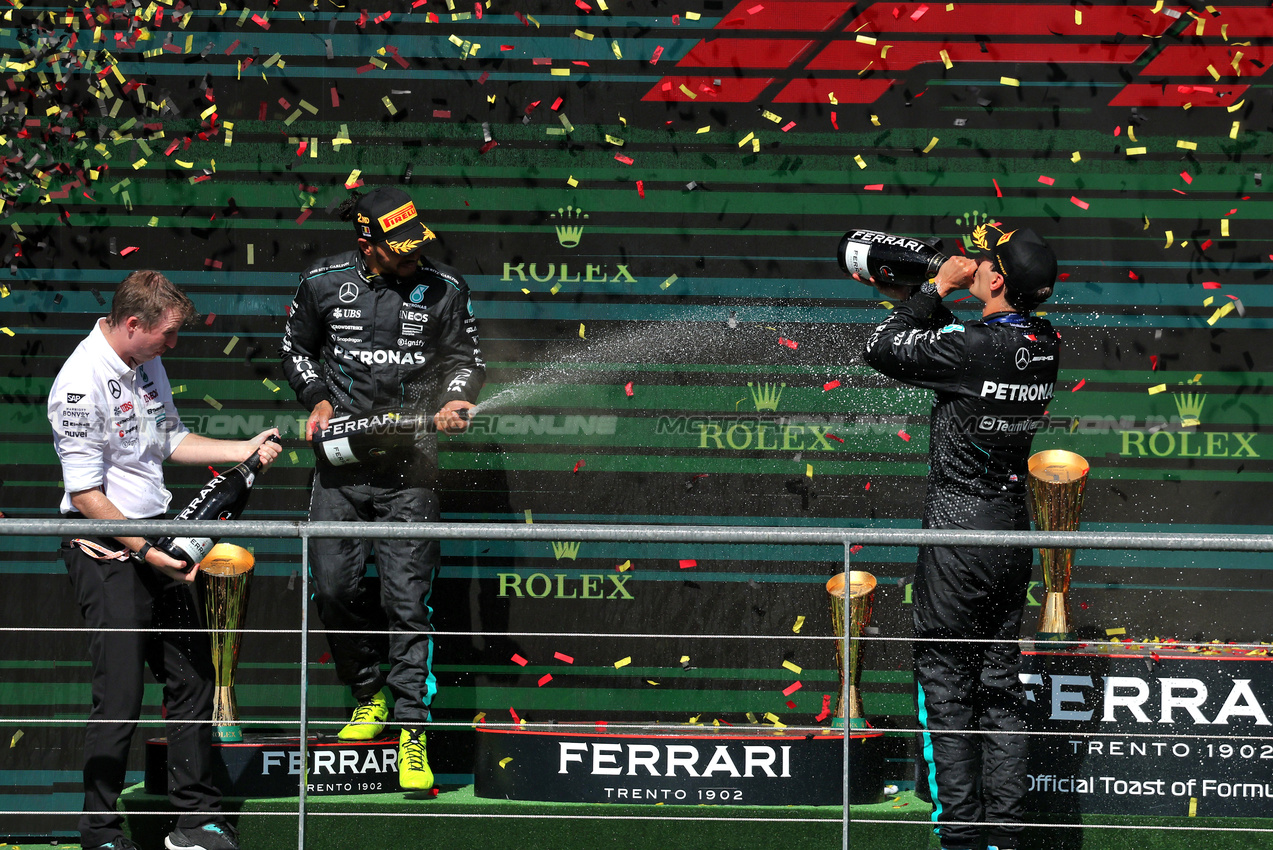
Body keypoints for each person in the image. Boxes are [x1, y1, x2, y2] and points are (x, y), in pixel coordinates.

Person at [47, 270, 281, 850]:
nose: (171, 346)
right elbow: (85, 497)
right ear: (133, 324)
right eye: (167, 335)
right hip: (106, 548)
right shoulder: (77, 384)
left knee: (193, 680)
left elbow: (170, 439)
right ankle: (99, 833)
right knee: (120, 693)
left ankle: (194, 823)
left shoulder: (145, 361)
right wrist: (148, 551)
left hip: (161, 540)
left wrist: (244, 449)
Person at [859, 228, 1061, 850]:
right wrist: (939, 297)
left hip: (957, 536)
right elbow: (955, 349)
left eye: (985, 260)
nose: (975, 262)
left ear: (996, 281)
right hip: (1009, 536)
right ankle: (1006, 837)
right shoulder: (1045, 342)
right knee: (998, 688)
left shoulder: (974, 347)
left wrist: (933, 285)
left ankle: (962, 843)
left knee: (946, 687)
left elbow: (883, 346)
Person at [280, 185, 485, 791]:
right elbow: (294, 348)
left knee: (406, 600)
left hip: (412, 470)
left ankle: (411, 733)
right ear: (366, 241)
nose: (413, 257)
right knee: (335, 584)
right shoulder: (322, 281)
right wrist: (315, 399)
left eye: (417, 244)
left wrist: (456, 398)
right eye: (401, 249)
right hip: (341, 466)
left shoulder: (444, 288)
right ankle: (367, 692)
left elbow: (466, 358)